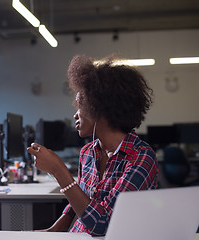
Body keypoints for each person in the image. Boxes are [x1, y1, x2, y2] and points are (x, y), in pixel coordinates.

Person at [27, 55, 158, 236]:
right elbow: (80, 199)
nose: (75, 114)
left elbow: (102, 225)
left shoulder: (141, 158)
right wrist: (55, 229)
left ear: (100, 108)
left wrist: (58, 170)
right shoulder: (88, 152)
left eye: (80, 105)